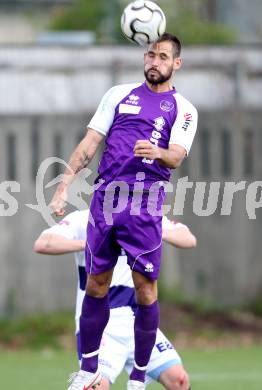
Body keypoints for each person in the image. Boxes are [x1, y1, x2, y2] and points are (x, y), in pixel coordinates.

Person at [50, 33, 198, 390]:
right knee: (95, 284)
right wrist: (63, 188)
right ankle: (87, 369)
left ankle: (138, 375)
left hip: (145, 203)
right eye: (150, 54)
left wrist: (157, 152)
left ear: (176, 64)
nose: (154, 61)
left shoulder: (185, 109)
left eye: (163, 56)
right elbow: (89, 145)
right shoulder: (118, 94)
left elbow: (176, 156)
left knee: (145, 291)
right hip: (105, 200)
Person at [34, 209, 197, 390]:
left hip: (137, 322)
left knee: (178, 380)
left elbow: (188, 238)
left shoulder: (145, 217)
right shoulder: (83, 219)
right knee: (97, 386)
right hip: (100, 326)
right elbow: (43, 243)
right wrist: (94, 243)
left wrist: (150, 232)